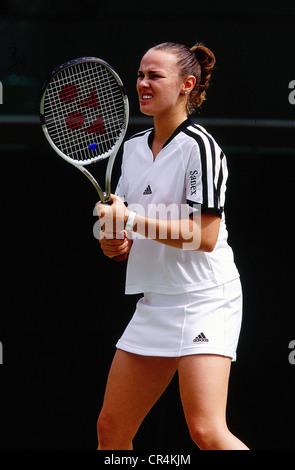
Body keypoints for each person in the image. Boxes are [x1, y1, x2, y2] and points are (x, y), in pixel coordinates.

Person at [95, 42, 248, 450]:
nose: (143, 84)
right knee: (111, 432)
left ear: (187, 85)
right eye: (140, 75)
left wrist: (130, 219)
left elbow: (205, 235)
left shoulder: (201, 147)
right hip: (154, 301)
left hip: (205, 299)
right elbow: (123, 239)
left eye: (155, 76)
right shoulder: (130, 149)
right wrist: (114, 241)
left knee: (207, 432)